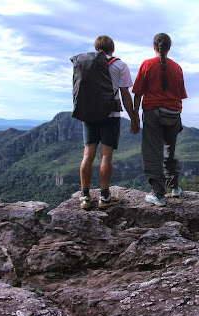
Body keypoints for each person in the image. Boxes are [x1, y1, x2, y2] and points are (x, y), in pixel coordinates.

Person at [79, 35, 140, 210]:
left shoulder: (85, 64)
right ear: (112, 49)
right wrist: (134, 118)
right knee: (106, 156)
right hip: (111, 114)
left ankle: (85, 196)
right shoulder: (120, 65)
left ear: (96, 48)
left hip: (89, 113)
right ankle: (104, 197)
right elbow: (125, 94)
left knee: (87, 155)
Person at [133, 33, 187, 207]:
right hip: (173, 113)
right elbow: (181, 95)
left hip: (153, 112)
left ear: (154, 47)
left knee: (152, 153)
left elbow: (138, 93)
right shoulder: (177, 68)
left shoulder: (147, 65)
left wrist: (135, 115)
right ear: (169, 48)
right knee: (169, 150)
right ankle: (175, 188)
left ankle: (159, 195)